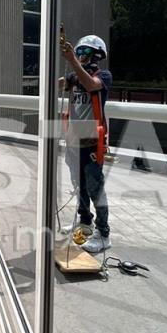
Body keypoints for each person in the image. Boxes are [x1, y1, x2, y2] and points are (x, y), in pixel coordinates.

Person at [59, 35, 113, 254]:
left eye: (84, 53)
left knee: (95, 187)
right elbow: (59, 84)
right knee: (79, 184)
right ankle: (85, 223)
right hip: (74, 140)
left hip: (92, 141)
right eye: (78, 52)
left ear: (95, 55)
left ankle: (103, 234)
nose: (80, 56)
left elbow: (91, 86)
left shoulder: (103, 76)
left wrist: (72, 60)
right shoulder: (74, 77)